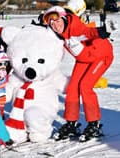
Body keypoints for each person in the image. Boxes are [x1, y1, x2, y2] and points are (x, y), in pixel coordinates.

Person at [43, 6, 114, 142]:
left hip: (101, 56)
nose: (56, 26)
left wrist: (102, 31)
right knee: (73, 87)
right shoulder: (56, 34)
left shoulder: (75, 27)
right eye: (52, 24)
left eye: (58, 21)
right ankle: (71, 123)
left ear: (64, 18)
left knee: (85, 86)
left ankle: (94, 124)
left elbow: (89, 32)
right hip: (84, 58)